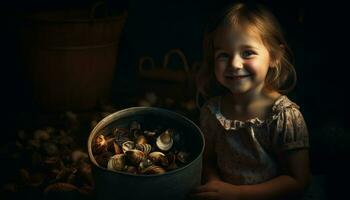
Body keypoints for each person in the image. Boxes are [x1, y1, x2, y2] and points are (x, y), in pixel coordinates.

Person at [189, 2, 311, 200]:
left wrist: (238, 194)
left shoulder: (284, 116)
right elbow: (208, 159)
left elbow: (298, 180)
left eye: (247, 53)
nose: (235, 64)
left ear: (275, 56)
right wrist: (214, 183)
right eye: (224, 55)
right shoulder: (212, 112)